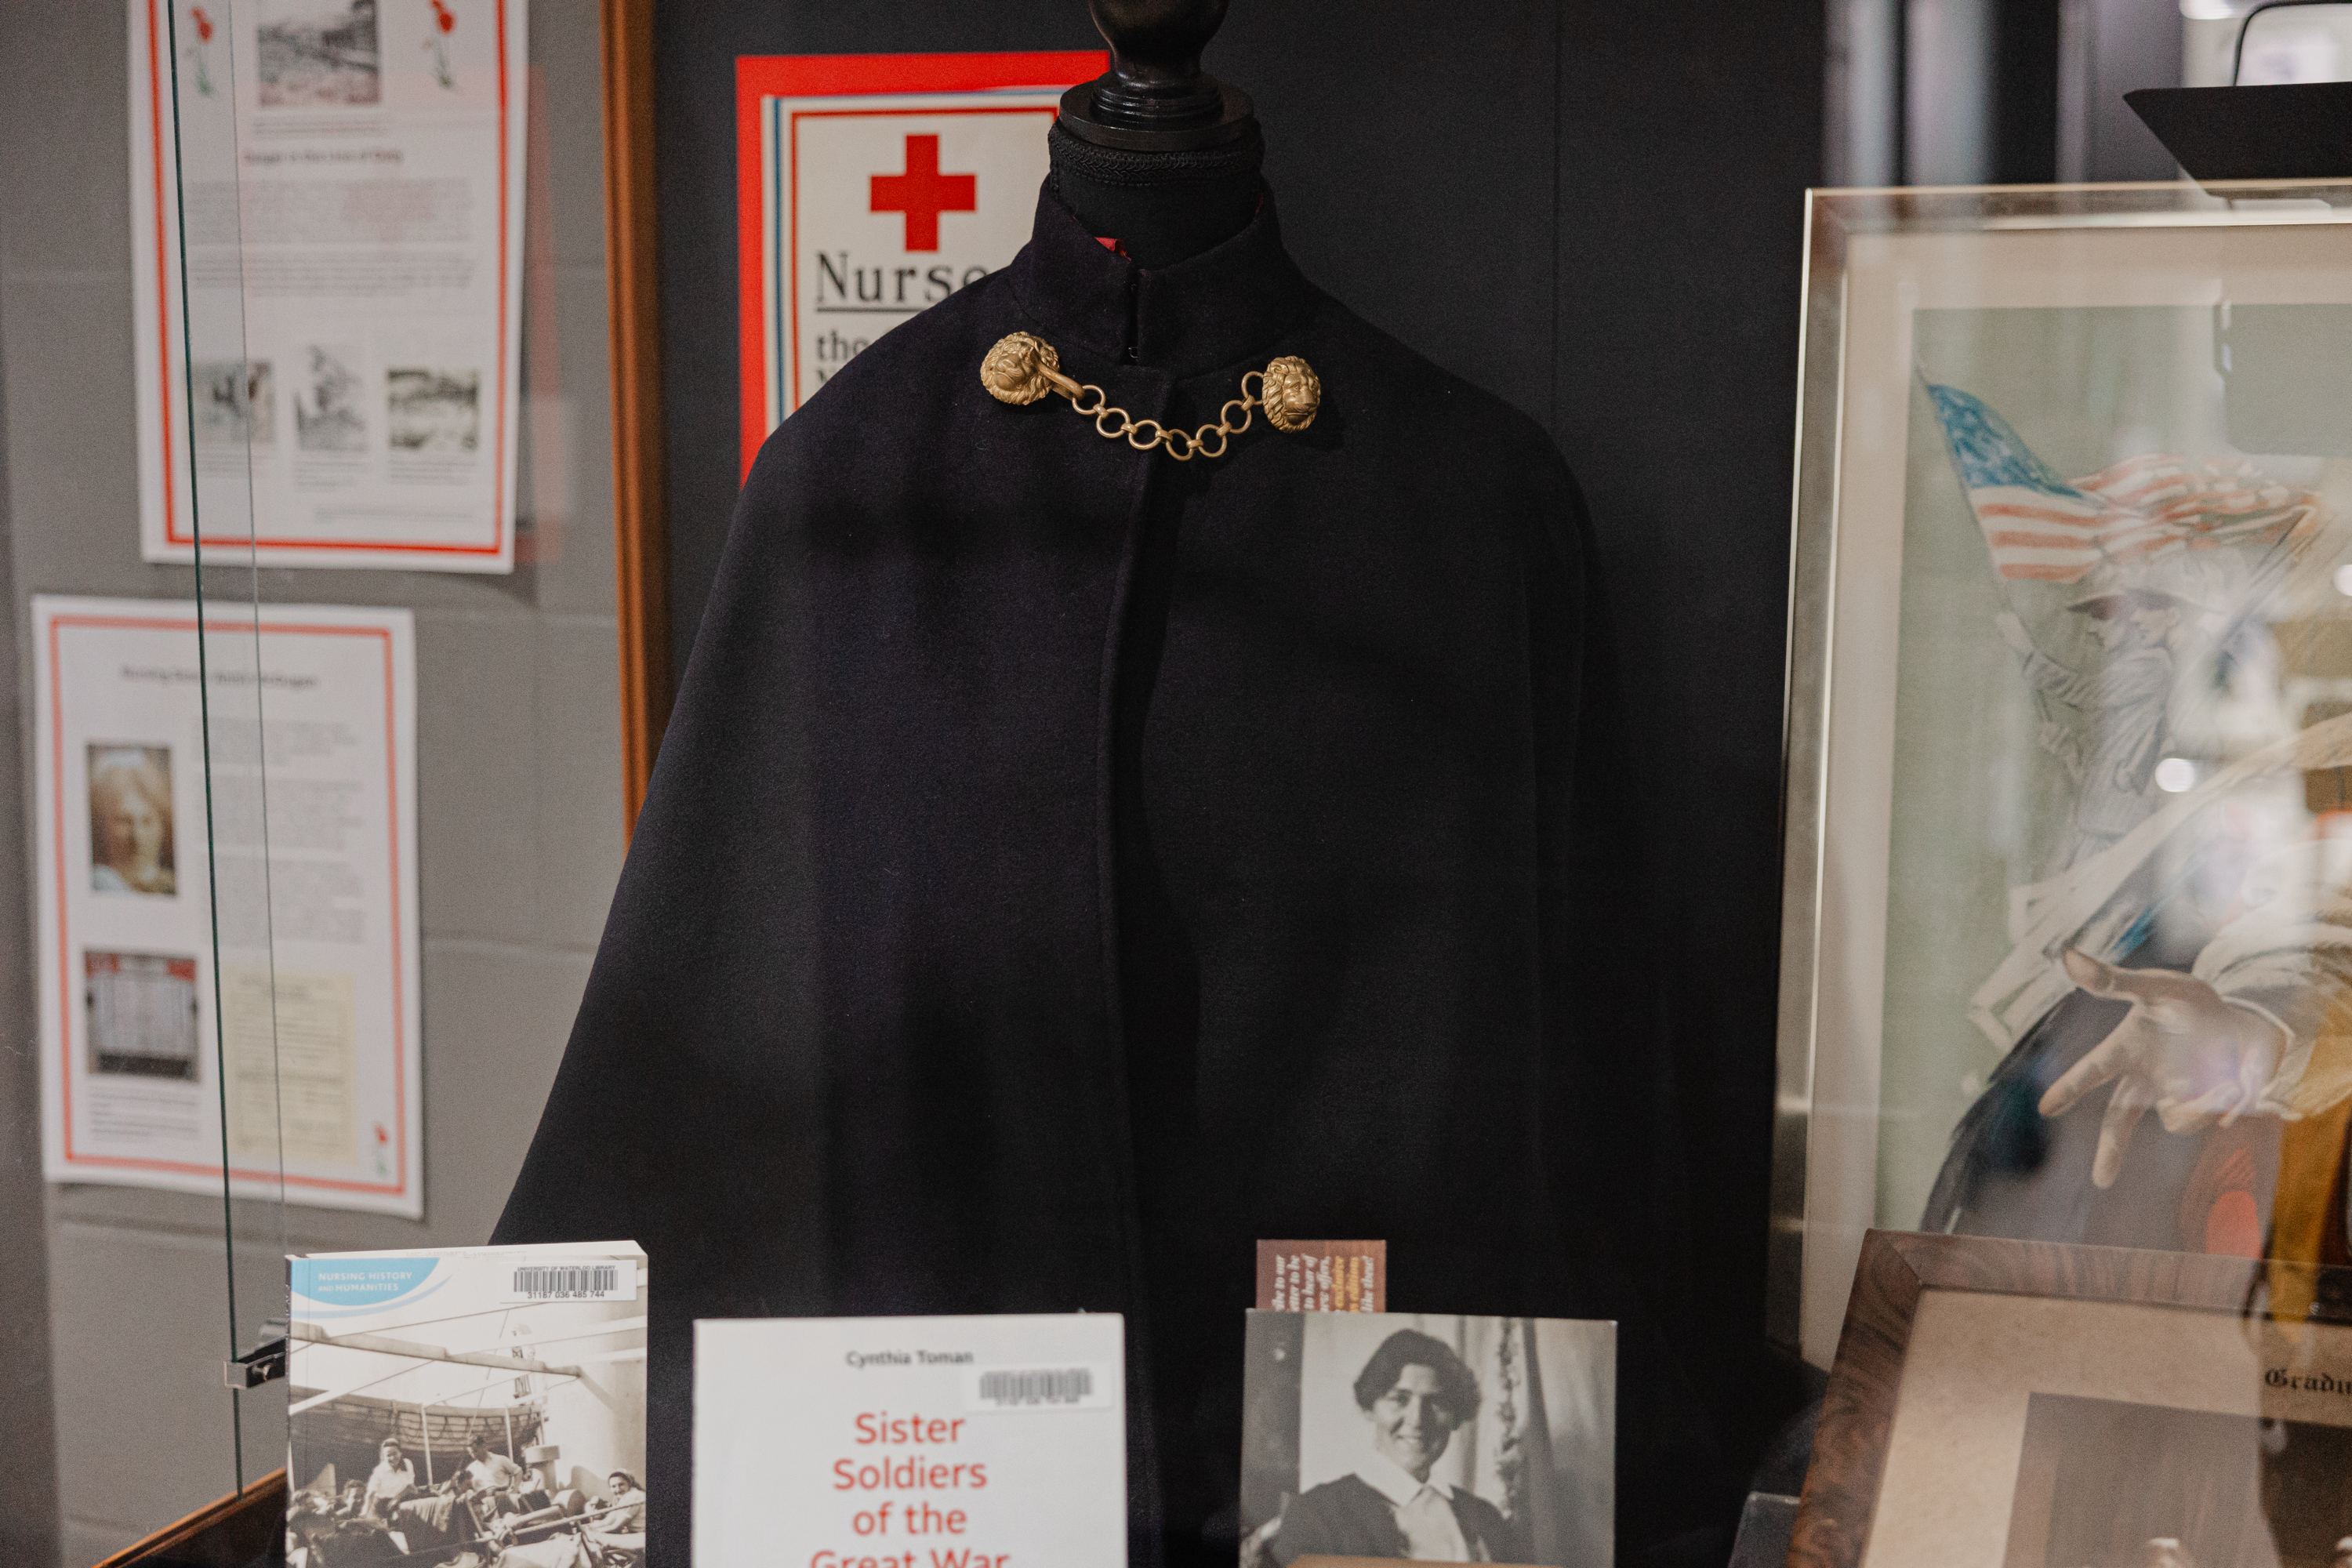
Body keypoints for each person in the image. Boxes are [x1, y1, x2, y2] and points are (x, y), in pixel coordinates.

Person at [1263, 1330, 1525, 1565]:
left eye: (1436, 1403)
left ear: (1456, 1417)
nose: (1417, 1420)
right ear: (1370, 1408)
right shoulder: (1318, 1514)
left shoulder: (1485, 1519)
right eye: (1399, 1399)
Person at [88, 748, 174, 895]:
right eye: (124, 821)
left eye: (147, 821)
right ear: (102, 827)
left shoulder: (173, 886)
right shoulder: (99, 883)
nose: (137, 836)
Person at [362, 1437, 416, 1519]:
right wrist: (364, 1513)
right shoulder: (379, 1470)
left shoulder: (407, 1464)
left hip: (401, 1500)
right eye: (388, 1455)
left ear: (400, 1453)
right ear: (384, 1457)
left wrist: (397, 1498)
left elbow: (410, 1487)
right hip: (382, 1505)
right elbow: (370, 1495)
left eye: (395, 1454)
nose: (392, 1458)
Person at [466, 1436, 530, 1498]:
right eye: (471, 1453)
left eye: (475, 1451)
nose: (474, 1455)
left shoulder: (500, 1460)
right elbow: (467, 1488)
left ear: (484, 1447)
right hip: (481, 1504)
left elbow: (518, 1471)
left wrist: (514, 1490)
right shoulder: (470, 1469)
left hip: (501, 1498)